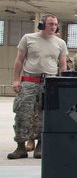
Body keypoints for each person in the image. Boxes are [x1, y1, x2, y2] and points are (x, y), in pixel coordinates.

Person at [8, 14, 67, 159]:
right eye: (50, 24)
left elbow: (62, 65)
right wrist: (16, 80)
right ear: (42, 25)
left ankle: (41, 145)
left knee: (46, 115)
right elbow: (19, 60)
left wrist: (63, 84)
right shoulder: (28, 39)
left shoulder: (60, 43)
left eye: (55, 24)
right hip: (29, 81)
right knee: (23, 114)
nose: (53, 27)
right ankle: (21, 146)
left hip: (49, 82)